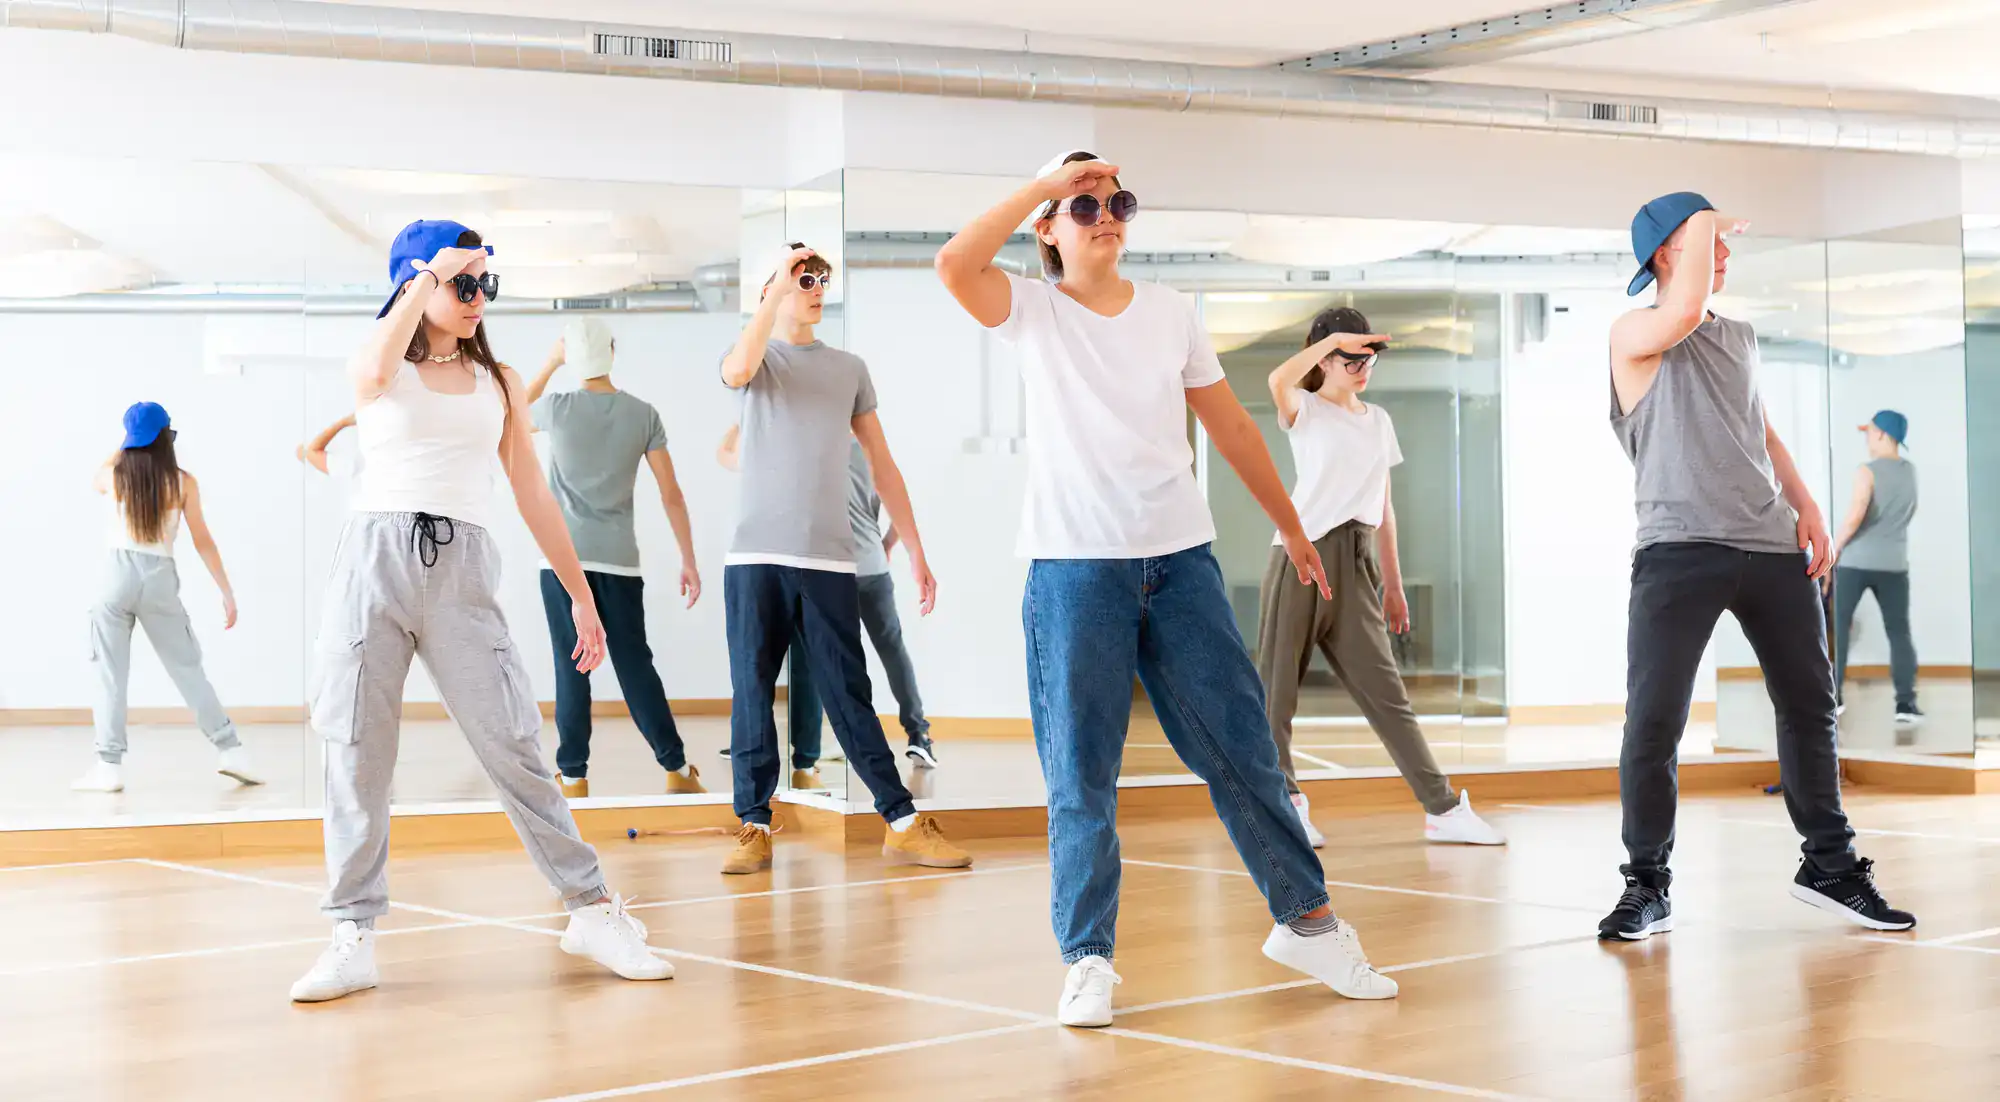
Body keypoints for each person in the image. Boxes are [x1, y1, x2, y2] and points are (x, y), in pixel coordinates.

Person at [935, 151, 1398, 1029]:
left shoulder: (1173, 312)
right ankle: (1088, 958)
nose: (1107, 213)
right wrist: (1045, 183)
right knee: (1082, 775)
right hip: (1074, 569)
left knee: (1243, 751)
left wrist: (1293, 527)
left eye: (1119, 202)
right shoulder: (1028, 310)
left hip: (1181, 562)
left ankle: (1307, 920)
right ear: (1050, 228)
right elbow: (955, 263)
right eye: (1085, 205)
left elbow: (1228, 425)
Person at [290, 219, 668, 1004]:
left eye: (485, 284)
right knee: (356, 751)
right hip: (373, 565)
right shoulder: (382, 365)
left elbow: (533, 491)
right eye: (463, 282)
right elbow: (367, 372)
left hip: (462, 568)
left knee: (517, 745)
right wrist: (429, 276)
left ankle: (592, 909)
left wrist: (580, 591)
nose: (478, 297)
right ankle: (352, 932)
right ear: (418, 284)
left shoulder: (499, 383)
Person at [1604, 193, 1914, 941]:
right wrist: (1708, 212)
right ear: (1666, 254)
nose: (1725, 253)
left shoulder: (1738, 335)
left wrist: (1806, 504)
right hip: (1677, 551)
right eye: (1706, 240)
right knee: (1654, 723)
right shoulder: (1635, 333)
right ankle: (1647, 884)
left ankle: (1830, 869)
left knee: (1811, 708)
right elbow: (1680, 312)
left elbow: (1760, 429)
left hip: (1772, 548)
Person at [715, 241, 971, 876]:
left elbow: (883, 466)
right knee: (752, 693)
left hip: (830, 561)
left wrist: (915, 551)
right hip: (755, 558)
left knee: (849, 694)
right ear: (772, 287)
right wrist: (777, 286)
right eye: (804, 278)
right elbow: (737, 370)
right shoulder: (755, 358)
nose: (815, 287)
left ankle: (903, 822)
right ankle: (753, 825)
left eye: (819, 277)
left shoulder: (849, 369)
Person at [1257, 306, 1504, 849]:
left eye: (1369, 357)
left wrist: (1392, 585)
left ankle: (1441, 808)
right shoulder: (1305, 408)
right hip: (1301, 558)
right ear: (1325, 358)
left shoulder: (1379, 420)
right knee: (1277, 696)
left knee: (1389, 696)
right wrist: (1332, 341)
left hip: (1358, 560)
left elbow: (1384, 509)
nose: (1363, 367)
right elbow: (1277, 378)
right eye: (1350, 357)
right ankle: (1286, 804)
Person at [523, 317, 706, 798]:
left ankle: (575, 776)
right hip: (620, 563)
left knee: (572, 665)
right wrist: (688, 558)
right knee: (634, 664)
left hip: (563, 563)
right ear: (612, 351)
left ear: (573, 356)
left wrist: (549, 362)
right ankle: (676, 767)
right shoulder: (643, 414)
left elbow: (509, 414)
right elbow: (672, 494)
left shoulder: (557, 408)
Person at [719, 427, 937, 788]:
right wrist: (885, 546)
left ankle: (803, 754)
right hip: (869, 566)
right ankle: (918, 734)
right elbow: (899, 505)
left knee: (810, 660)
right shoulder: (870, 452)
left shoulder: (806, 445)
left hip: (827, 570)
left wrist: (742, 422)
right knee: (891, 650)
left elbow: (728, 458)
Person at [74, 402, 261, 793]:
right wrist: (226, 592)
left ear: (130, 440)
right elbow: (203, 541)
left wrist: (126, 445)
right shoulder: (182, 482)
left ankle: (108, 766)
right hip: (160, 578)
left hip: (116, 577)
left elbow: (95, 477)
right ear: (167, 437)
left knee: (109, 674)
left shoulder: (114, 476)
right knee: (187, 669)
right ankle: (230, 751)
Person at [1830, 410, 1921, 728]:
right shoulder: (1910, 472)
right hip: (1895, 564)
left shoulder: (1866, 471)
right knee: (1899, 631)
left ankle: (1833, 699)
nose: (1867, 438)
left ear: (1882, 434)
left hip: (1856, 562)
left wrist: (1833, 549)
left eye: (1869, 432)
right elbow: (1908, 513)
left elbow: (1855, 516)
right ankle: (1906, 703)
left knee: (1838, 628)